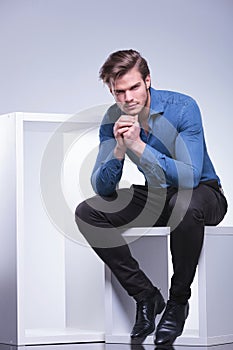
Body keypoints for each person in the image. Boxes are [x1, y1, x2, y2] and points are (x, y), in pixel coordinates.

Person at [75, 49, 228, 345]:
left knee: (183, 202)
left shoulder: (182, 107)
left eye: (134, 87)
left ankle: (178, 302)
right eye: (119, 92)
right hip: (159, 195)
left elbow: (190, 176)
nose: (128, 98)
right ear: (111, 90)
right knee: (89, 213)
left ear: (147, 81)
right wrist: (119, 149)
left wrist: (140, 146)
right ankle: (146, 295)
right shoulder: (113, 119)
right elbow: (102, 187)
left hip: (203, 194)